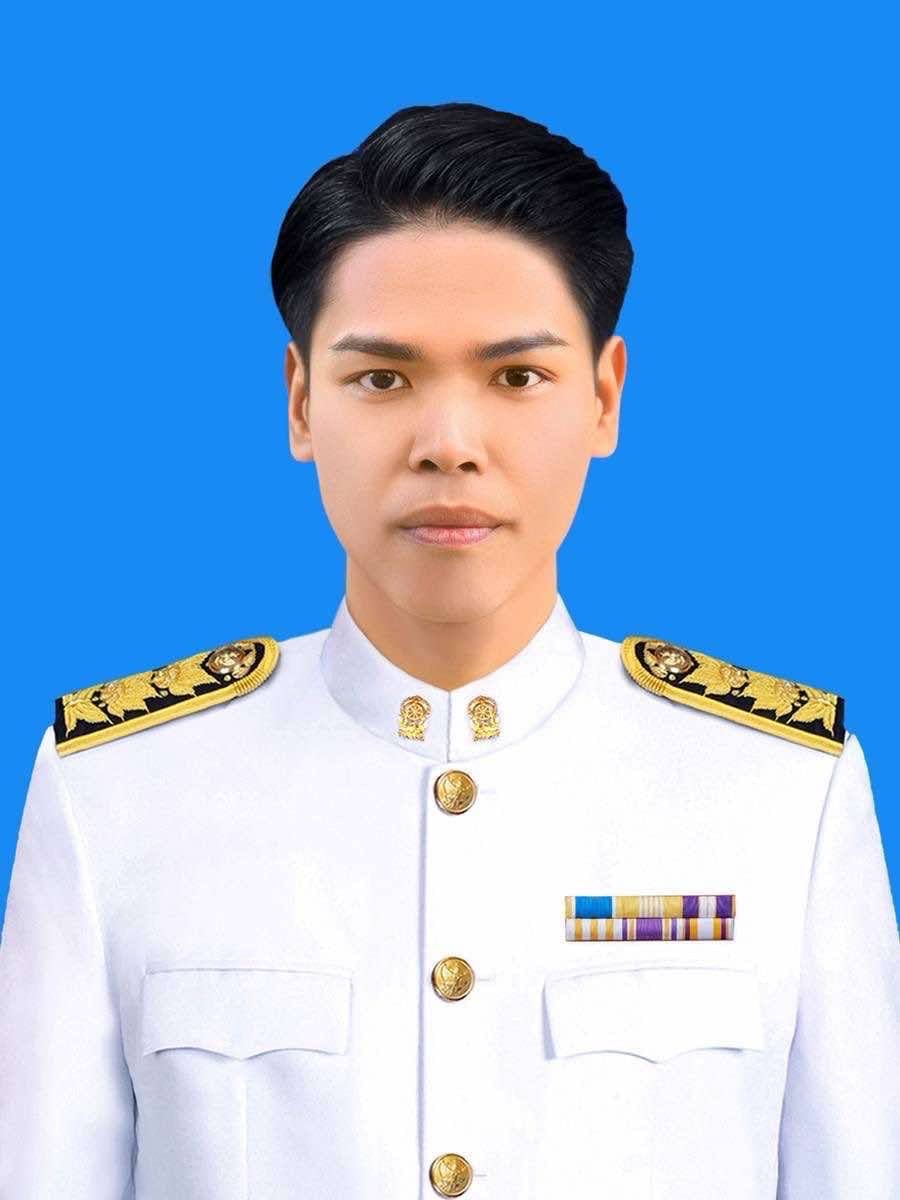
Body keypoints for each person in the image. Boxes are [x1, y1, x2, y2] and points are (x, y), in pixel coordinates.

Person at [1, 101, 897, 1200]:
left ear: (604, 397)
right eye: (382, 379)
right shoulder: (114, 792)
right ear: (301, 403)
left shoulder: (782, 791)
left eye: (517, 378)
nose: (449, 446)